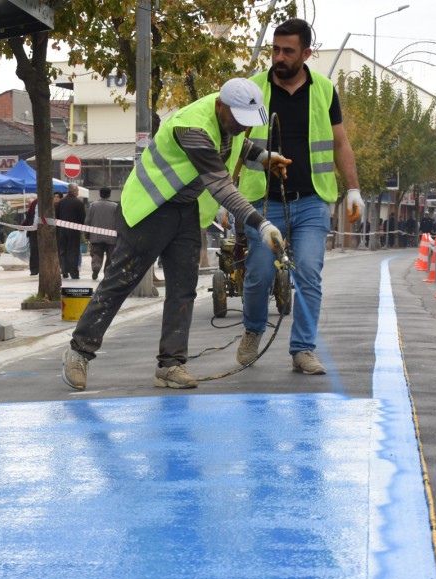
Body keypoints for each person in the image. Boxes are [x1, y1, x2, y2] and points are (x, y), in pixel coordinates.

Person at [62, 77, 291, 391]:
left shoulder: (229, 118)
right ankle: (79, 352)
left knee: (184, 288)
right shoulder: (193, 128)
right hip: (150, 206)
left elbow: (236, 142)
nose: (242, 128)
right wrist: (260, 223)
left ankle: (170, 365)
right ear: (221, 106)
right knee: (121, 281)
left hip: (184, 208)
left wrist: (263, 156)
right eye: (239, 121)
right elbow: (222, 186)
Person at [235, 18, 362, 375]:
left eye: (288, 51)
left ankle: (303, 349)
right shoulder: (254, 89)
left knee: (308, 272)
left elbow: (340, 142)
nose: (279, 57)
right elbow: (232, 142)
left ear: (306, 53)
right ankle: (252, 331)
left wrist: (353, 188)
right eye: (275, 49)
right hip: (262, 202)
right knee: (259, 273)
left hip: (310, 201)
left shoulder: (323, 90)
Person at [85, 187, 118, 280]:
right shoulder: (115, 206)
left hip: (95, 236)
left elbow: (87, 220)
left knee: (96, 254)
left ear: (100, 194)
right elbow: (119, 222)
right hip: (112, 237)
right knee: (111, 256)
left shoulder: (93, 205)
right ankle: (107, 273)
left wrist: (87, 234)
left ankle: (96, 266)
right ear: (109, 194)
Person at [55, 182, 86, 279]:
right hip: (74, 230)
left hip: (62, 230)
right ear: (74, 191)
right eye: (77, 190)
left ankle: (64, 271)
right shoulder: (78, 203)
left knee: (63, 250)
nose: (78, 192)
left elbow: (57, 216)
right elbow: (82, 218)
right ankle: (74, 273)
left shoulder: (60, 202)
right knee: (73, 251)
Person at [23, 197, 40, 275]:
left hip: (44, 231)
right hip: (33, 230)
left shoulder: (48, 202)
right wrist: (23, 226)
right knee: (34, 250)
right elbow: (29, 216)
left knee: (37, 250)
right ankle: (34, 269)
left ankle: (38, 268)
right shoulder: (34, 203)